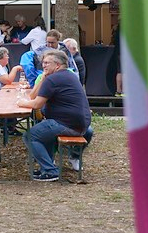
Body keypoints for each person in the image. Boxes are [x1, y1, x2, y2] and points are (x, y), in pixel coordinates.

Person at [18, 50, 93, 181]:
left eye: (47, 63)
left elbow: (36, 104)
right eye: (43, 63)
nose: (44, 66)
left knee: (30, 136)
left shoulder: (54, 79)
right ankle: (46, 167)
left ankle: (50, 171)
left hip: (67, 124)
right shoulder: (69, 76)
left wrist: (21, 103)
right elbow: (34, 96)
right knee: (43, 130)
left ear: (57, 65)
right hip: (82, 124)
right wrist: (44, 77)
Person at [111, 23, 122, 96]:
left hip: (118, 52)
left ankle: (118, 90)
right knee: (123, 72)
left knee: (119, 71)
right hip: (122, 53)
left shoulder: (118, 29)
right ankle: (123, 91)